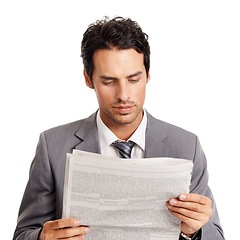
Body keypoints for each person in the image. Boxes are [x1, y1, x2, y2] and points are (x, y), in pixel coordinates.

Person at [13, 17, 224, 240]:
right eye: (109, 81)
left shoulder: (186, 146)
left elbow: (217, 236)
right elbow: (22, 234)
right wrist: (41, 238)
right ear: (88, 79)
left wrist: (195, 231)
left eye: (133, 79)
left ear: (148, 76)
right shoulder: (52, 145)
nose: (123, 95)